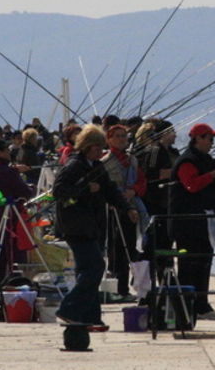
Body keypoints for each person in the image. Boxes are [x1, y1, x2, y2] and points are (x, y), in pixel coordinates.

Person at [52, 124, 138, 326]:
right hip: (77, 226)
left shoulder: (97, 166)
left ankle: (90, 318)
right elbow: (58, 191)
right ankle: (68, 309)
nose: (101, 151)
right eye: (98, 147)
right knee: (96, 267)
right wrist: (85, 188)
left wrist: (127, 208)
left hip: (93, 226)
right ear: (88, 146)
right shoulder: (74, 165)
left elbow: (110, 191)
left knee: (85, 270)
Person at [170, 123, 215, 320]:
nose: (212, 142)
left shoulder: (209, 161)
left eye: (213, 138)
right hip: (188, 224)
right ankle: (187, 306)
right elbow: (191, 185)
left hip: (207, 221)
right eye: (209, 138)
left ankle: (202, 304)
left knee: (205, 262)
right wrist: (212, 176)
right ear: (197, 138)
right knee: (190, 264)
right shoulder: (186, 161)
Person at [0, 138, 35, 312]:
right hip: (10, 218)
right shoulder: (7, 172)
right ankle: (14, 300)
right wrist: (23, 180)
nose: (9, 152)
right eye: (6, 150)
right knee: (13, 259)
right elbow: (25, 192)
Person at [101, 125, 148, 301]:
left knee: (131, 245)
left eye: (124, 136)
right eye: (118, 136)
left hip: (133, 206)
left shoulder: (133, 160)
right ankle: (119, 288)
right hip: (114, 209)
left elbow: (142, 182)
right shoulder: (105, 161)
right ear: (109, 139)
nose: (122, 139)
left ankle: (128, 285)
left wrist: (134, 191)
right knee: (117, 249)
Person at [137, 120, 180, 280]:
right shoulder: (154, 151)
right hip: (155, 205)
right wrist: (174, 173)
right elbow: (151, 175)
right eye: (171, 131)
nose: (175, 134)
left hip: (170, 205)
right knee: (153, 245)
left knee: (167, 244)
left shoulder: (174, 152)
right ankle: (146, 283)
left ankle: (165, 278)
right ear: (162, 134)